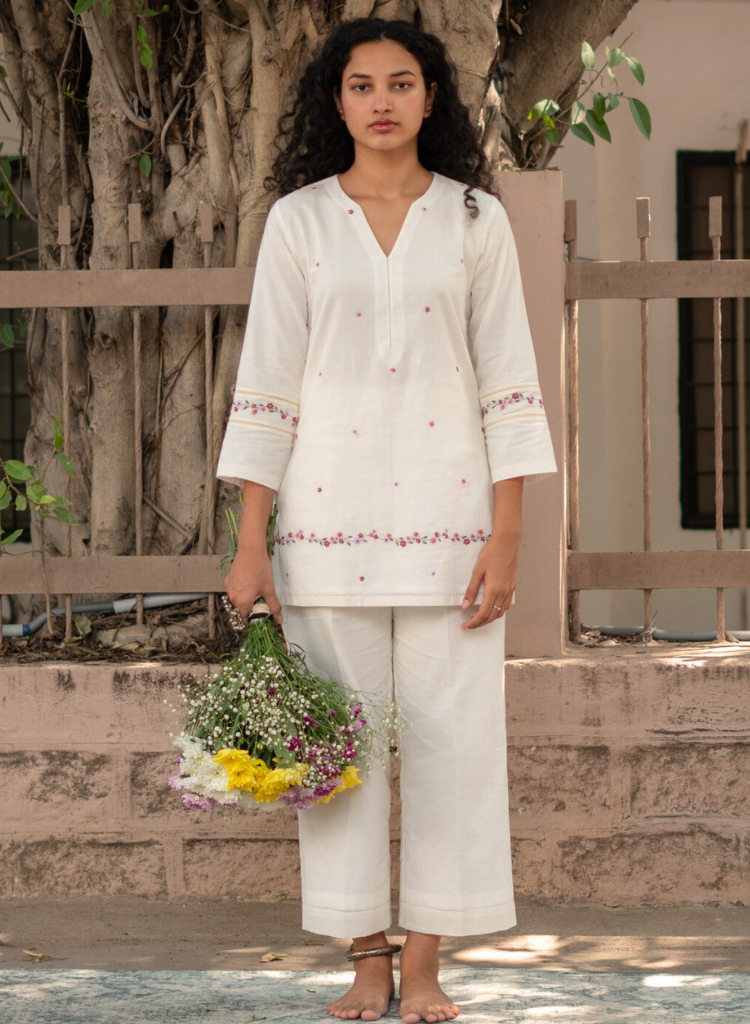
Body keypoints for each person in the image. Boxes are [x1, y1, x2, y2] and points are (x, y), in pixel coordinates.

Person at [217, 17, 557, 1023]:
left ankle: (428, 965)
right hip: (324, 536)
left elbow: (508, 383)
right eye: (361, 84)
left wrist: (507, 536)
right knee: (341, 758)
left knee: (455, 753)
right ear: (336, 100)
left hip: (456, 537)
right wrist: (250, 543)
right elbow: (268, 388)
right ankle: (366, 961)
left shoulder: (475, 221)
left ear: (430, 98)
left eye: (401, 83)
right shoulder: (300, 223)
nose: (381, 101)